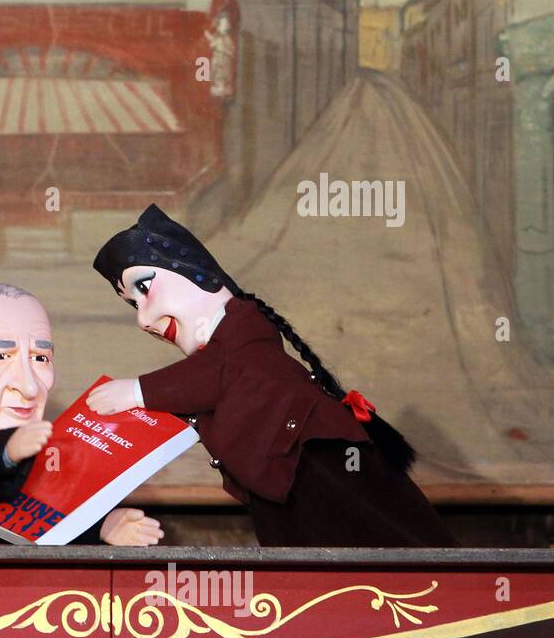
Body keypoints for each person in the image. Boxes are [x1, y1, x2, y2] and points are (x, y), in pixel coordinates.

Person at [87, 203, 457, 547]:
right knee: (306, 565)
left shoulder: (243, 334)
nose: (144, 319)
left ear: (197, 273)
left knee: (375, 539)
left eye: (146, 289)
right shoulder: (218, 357)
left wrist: (138, 392)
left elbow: (219, 375)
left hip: (311, 460)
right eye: (134, 304)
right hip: (281, 480)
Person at [0, 281, 161, 546]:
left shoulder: (46, 453)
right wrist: (6, 453)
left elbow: (40, 520)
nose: (30, 386)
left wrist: (103, 527)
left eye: (40, 358)